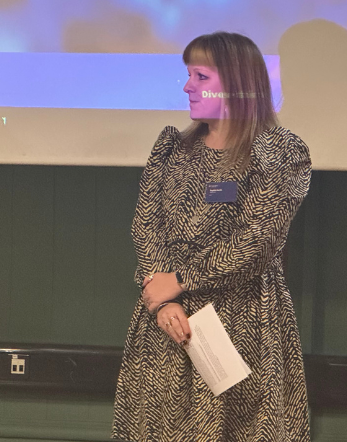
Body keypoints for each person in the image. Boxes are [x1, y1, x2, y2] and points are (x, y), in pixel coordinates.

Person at [112, 32, 312, 442]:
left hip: (243, 322)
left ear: (239, 83)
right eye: (189, 75)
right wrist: (160, 296)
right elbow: (145, 224)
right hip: (167, 321)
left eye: (200, 76)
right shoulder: (172, 149)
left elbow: (257, 242)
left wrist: (179, 280)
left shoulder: (280, 152)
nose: (188, 86)